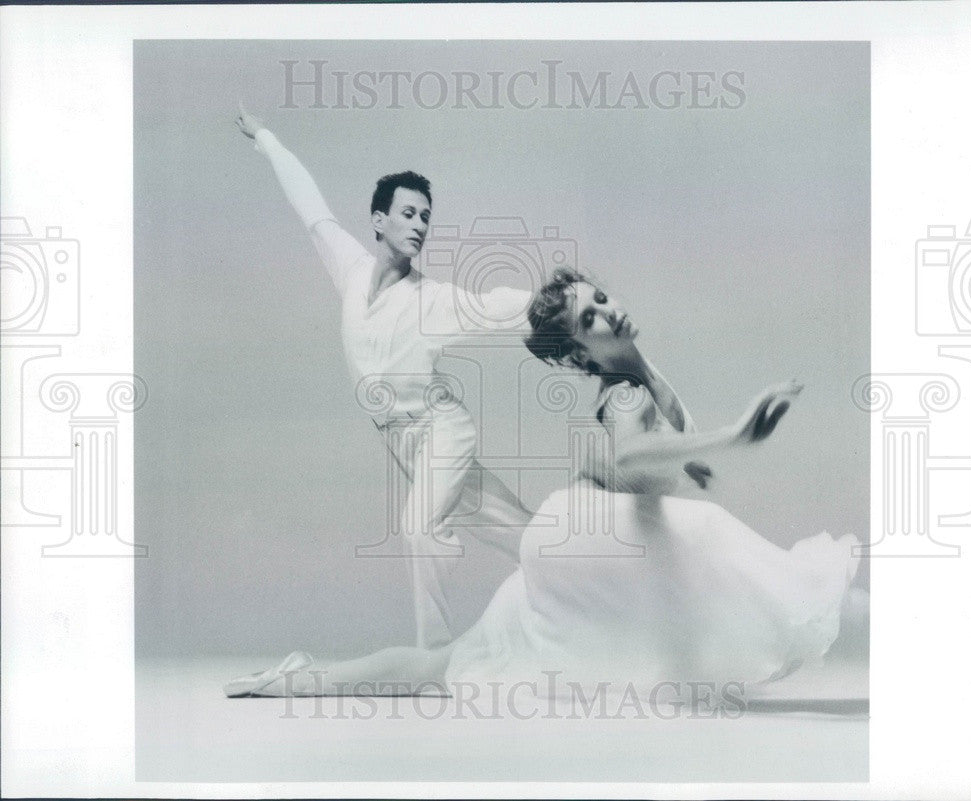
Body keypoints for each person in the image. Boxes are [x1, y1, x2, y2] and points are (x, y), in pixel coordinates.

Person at [224, 269, 859, 700]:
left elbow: (646, 456)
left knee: (454, 664)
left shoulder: (642, 370)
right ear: (582, 354)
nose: (608, 312)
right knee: (713, 540)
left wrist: (687, 463)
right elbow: (634, 447)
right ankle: (299, 681)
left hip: (594, 540)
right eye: (592, 318)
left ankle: (297, 680)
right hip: (580, 544)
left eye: (601, 299)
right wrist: (732, 435)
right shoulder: (626, 392)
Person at [235, 106, 542, 649]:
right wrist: (267, 139)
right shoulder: (350, 271)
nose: (420, 225)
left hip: (441, 428)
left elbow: (499, 307)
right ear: (379, 220)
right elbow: (311, 210)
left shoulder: (434, 300)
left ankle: (435, 659)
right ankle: (604, 583)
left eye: (426, 216)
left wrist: (574, 308)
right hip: (401, 442)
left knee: (419, 528)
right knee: (527, 539)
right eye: (408, 213)